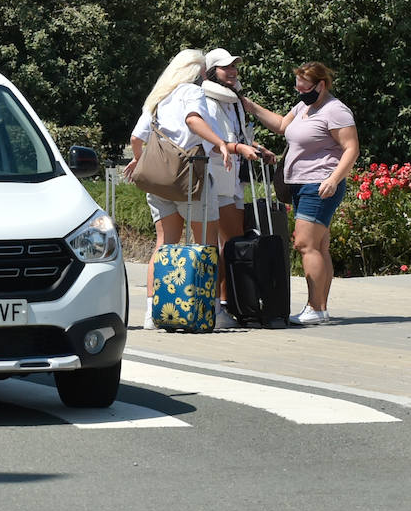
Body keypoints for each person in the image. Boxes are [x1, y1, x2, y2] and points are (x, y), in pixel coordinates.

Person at [126, 49, 254, 330]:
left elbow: (137, 137)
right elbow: (193, 120)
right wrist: (220, 143)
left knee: (164, 244)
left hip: (160, 182)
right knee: (205, 245)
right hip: (191, 179)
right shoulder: (191, 92)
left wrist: (138, 159)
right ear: (198, 72)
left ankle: (153, 312)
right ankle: (211, 313)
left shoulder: (158, 98)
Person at [241, 61, 359, 325]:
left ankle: (314, 307)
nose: (301, 91)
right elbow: (282, 125)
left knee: (305, 244)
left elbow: (351, 149)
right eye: (298, 86)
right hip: (300, 184)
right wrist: (251, 106)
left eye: (306, 87)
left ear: (321, 85)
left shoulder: (336, 111)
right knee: (319, 246)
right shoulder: (304, 107)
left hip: (319, 185)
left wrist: (333, 179)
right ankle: (321, 309)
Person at [202, 49, 276, 283]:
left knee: (232, 241)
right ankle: (220, 303)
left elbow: (238, 136)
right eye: (226, 67)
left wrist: (256, 147)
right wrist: (241, 149)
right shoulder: (208, 102)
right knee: (229, 240)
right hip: (218, 176)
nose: (233, 71)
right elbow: (214, 142)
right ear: (212, 72)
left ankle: (229, 300)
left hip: (235, 178)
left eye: (234, 66)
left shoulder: (233, 100)